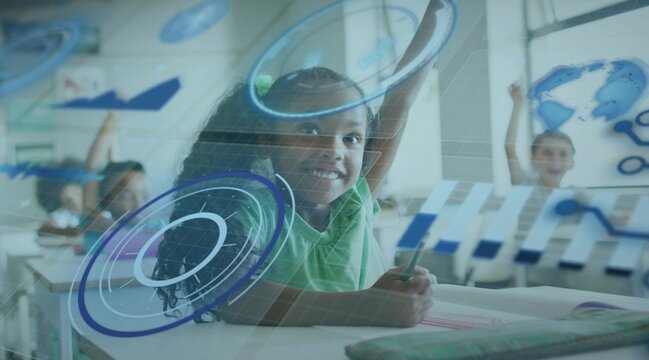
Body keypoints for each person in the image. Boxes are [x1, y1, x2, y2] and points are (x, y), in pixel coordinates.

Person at [153, 1, 445, 327]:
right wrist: (367, 306)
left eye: (351, 138)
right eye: (310, 130)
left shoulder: (356, 200)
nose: (333, 150)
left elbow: (400, 102)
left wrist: (439, 11)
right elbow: (235, 298)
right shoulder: (254, 211)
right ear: (266, 140)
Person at [80, 112, 151, 252]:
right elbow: (91, 170)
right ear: (106, 200)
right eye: (127, 197)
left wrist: (113, 126)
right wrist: (111, 121)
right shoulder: (99, 222)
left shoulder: (152, 226)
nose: (139, 204)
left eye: (144, 196)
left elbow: (114, 166)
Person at [505, 83, 575, 188]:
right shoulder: (524, 184)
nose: (555, 159)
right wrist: (517, 105)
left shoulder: (573, 195)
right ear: (533, 160)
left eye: (563, 154)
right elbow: (509, 147)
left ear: (571, 163)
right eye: (547, 153)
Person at [35, 157, 85, 237]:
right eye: (68, 200)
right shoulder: (63, 215)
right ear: (60, 202)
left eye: (77, 193)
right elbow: (45, 229)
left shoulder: (101, 206)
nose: (75, 202)